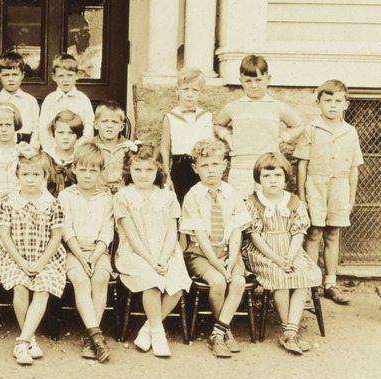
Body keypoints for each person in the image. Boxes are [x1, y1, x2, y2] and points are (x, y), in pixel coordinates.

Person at [114, 143, 191, 358]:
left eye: (149, 169)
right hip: (136, 252)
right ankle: (159, 333)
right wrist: (150, 259)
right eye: (137, 169)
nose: (143, 175)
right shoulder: (123, 196)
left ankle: (149, 328)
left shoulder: (167, 196)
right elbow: (131, 235)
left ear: (158, 170)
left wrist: (164, 258)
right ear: (129, 170)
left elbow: (171, 233)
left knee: (176, 282)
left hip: (166, 251)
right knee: (152, 281)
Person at [178, 138, 252, 358]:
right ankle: (225, 331)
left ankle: (218, 332)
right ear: (195, 169)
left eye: (215, 164)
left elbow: (238, 229)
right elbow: (198, 232)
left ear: (224, 165)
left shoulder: (233, 193)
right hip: (202, 253)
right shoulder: (192, 197)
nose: (210, 170)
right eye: (204, 165)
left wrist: (232, 258)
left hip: (229, 251)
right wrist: (216, 263)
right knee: (218, 282)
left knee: (238, 281)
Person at [243, 153, 322, 355]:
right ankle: (291, 333)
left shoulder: (294, 202)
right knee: (281, 278)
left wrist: (289, 256)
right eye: (266, 176)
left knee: (301, 277)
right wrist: (277, 259)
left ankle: (289, 331)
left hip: (291, 249)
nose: (272, 181)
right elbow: (254, 236)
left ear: (286, 178)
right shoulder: (253, 202)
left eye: (277, 175)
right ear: (258, 179)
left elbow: (298, 234)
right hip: (264, 252)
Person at [0, 147, 67, 365]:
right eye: (25, 174)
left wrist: (41, 262)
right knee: (20, 285)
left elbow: (56, 237)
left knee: (43, 288)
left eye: (36, 175)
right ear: (17, 175)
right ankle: (30, 338)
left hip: (46, 257)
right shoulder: (8, 201)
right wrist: (22, 262)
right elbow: (5, 235)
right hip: (13, 256)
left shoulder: (52, 203)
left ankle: (22, 341)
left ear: (45, 176)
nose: (30, 179)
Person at [295, 79, 363, 305]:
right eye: (327, 100)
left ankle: (330, 284)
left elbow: (354, 168)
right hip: (315, 186)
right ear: (319, 103)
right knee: (314, 233)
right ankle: (310, 284)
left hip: (339, 187)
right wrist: (302, 197)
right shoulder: (311, 129)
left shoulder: (350, 132)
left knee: (333, 234)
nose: (332, 105)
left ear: (346, 104)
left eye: (337, 101)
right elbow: (302, 165)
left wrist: (351, 198)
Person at [213, 54, 304, 199]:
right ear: (241, 81)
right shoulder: (233, 107)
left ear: (268, 79)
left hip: (268, 169)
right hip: (241, 169)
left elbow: (298, 125)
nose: (253, 85)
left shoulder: (277, 107)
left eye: (258, 80)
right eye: (248, 81)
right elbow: (217, 124)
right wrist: (227, 137)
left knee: (266, 204)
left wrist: (280, 139)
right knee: (240, 207)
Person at [57, 142, 114, 362]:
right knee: (80, 280)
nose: (88, 175)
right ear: (74, 169)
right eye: (83, 169)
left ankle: (92, 337)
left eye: (93, 170)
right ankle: (96, 338)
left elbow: (107, 231)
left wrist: (95, 255)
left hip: (98, 251)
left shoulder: (106, 198)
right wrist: (81, 257)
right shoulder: (66, 196)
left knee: (100, 278)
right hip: (73, 251)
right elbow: (66, 229)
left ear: (101, 172)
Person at [160, 67, 214, 204]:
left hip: (202, 165)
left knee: (203, 202)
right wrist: (167, 176)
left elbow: (212, 145)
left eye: (195, 90)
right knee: (182, 204)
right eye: (185, 89)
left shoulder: (206, 117)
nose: (190, 94)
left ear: (201, 92)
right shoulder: (170, 117)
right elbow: (165, 149)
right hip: (180, 168)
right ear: (177, 90)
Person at [37, 53, 94, 153]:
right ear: (54, 77)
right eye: (61, 75)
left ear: (77, 75)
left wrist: (77, 151)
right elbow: (43, 130)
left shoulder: (83, 100)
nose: (65, 79)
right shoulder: (50, 100)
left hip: (78, 152)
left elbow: (88, 129)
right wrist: (52, 151)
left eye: (70, 75)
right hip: (54, 151)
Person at [0, 51, 40, 145]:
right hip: (2, 150)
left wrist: (32, 150)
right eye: (6, 75)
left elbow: (36, 129)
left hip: (25, 148)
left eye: (15, 74)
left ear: (22, 75)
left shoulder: (30, 101)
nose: (10, 79)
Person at [92, 101, 134, 194]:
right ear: (95, 124)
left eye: (114, 122)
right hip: (97, 193)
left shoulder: (129, 147)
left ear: (122, 126)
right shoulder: (89, 146)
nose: (109, 125)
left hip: (123, 193)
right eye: (104, 121)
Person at [46, 110, 82, 196]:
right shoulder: (45, 157)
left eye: (71, 133)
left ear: (78, 135)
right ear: (53, 134)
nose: (65, 137)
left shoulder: (80, 158)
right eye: (61, 132)